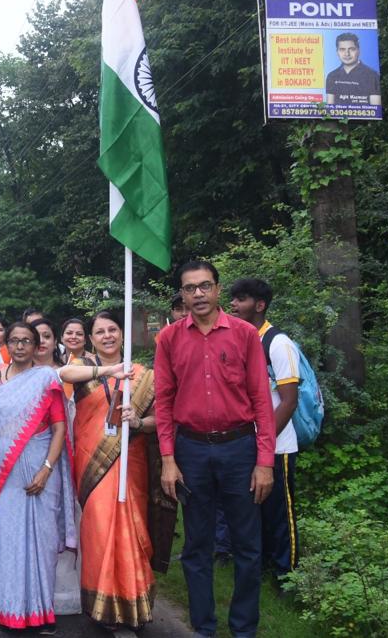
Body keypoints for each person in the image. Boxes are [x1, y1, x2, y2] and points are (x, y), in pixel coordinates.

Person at [155, 260, 276, 638]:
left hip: (239, 449)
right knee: (196, 545)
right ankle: (203, 627)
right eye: (190, 288)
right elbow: (163, 402)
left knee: (247, 546)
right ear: (182, 294)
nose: (198, 294)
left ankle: (244, 629)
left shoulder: (244, 335)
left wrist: (265, 462)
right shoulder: (169, 339)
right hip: (191, 451)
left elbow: (262, 401)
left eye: (205, 286)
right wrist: (168, 460)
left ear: (218, 289)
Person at [62, 311, 175, 630]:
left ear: (122, 335)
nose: (107, 336)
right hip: (93, 464)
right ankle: (103, 607)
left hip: (131, 463)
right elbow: (63, 373)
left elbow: (159, 419)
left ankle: (133, 606)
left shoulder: (143, 375)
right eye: (100, 332)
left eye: (112, 329)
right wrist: (109, 370)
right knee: (99, 529)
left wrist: (138, 421)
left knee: (132, 530)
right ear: (91, 339)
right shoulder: (84, 368)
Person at [0, 321, 76, 632]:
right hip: (4, 470)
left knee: (41, 542)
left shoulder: (45, 378)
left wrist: (46, 469)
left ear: (36, 346)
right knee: (9, 540)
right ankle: (7, 609)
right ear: (6, 344)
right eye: (14, 340)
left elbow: (59, 428)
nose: (20, 346)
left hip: (41, 471)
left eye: (26, 341)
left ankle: (40, 613)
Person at [228, 278, 301, 583]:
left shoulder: (278, 343)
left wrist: (264, 443)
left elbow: (289, 401)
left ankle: (287, 576)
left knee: (279, 514)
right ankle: (260, 569)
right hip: (247, 445)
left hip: (277, 447)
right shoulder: (240, 339)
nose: (233, 305)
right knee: (253, 513)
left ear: (260, 305)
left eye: (241, 299)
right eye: (233, 299)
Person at [324, 32, 381, 106]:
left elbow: (375, 109)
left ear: (358, 51)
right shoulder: (332, 76)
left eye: (351, 49)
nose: (347, 54)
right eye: (342, 49)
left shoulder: (372, 75)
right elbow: (330, 107)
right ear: (337, 52)